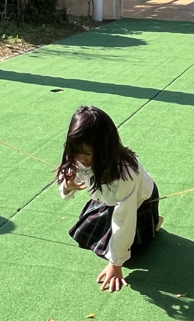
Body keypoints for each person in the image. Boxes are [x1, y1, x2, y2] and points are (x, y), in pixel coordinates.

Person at [57, 105, 162, 292]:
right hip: (107, 199)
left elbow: (124, 218)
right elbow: (68, 173)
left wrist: (116, 264)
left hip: (137, 203)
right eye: (76, 151)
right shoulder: (77, 153)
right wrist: (68, 186)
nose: (81, 158)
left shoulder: (125, 172)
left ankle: (153, 222)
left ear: (105, 148)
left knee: (133, 252)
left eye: (88, 154)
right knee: (84, 235)